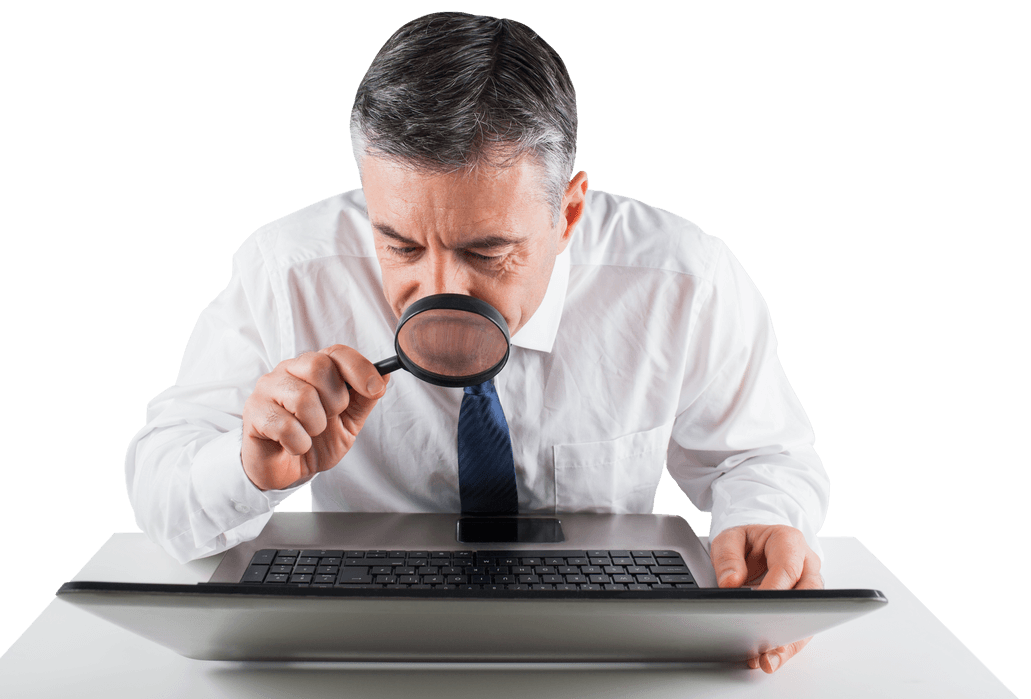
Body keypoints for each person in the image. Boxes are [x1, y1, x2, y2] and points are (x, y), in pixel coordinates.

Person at [125, 12, 828, 673]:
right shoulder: (286, 271)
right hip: (356, 654)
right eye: (398, 243)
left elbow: (763, 455)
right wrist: (248, 466)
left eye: (488, 250)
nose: (442, 292)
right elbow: (160, 490)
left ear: (570, 211)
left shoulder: (683, 279)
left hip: (598, 655)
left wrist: (762, 520)